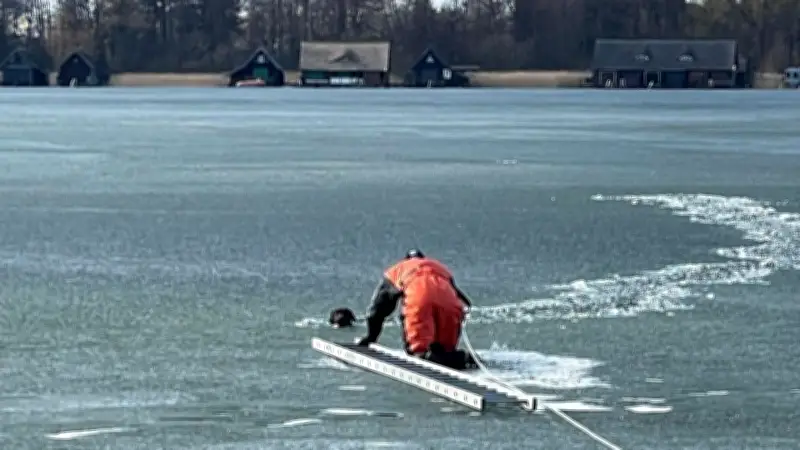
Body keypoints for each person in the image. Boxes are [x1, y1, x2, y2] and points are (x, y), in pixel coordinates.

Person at [356, 249, 479, 370]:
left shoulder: (397, 270)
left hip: (419, 299)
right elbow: (461, 299)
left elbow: (377, 309)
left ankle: (432, 357)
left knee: (418, 354)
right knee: (445, 350)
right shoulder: (439, 267)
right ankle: (462, 357)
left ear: (406, 259)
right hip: (450, 304)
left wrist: (370, 337)